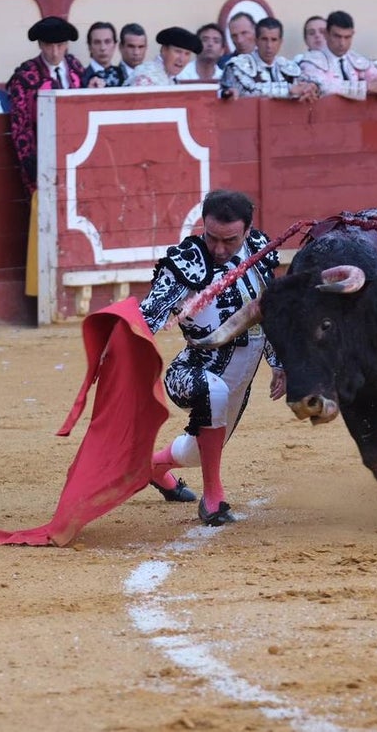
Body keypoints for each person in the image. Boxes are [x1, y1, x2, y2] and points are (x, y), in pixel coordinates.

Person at [139, 189, 285, 526]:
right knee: (213, 394)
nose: (218, 249)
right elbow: (149, 316)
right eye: (211, 237)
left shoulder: (259, 251)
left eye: (229, 240)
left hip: (240, 377)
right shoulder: (187, 262)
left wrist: (279, 363)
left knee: (195, 451)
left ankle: (153, 468)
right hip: (192, 370)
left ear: (247, 230)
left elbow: (270, 311)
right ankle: (213, 500)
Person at [7, 17, 86, 196]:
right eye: (49, 46)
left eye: (60, 45)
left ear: (67, 44)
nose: (55, 52)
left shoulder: (77, 68)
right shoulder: (24, 77)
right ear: (40, 45)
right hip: (43, 160)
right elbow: (20, 127)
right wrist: (31, 164)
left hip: (78, 156)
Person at [298, 10, 377, 101]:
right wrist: (366, 87)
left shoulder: (356, 60)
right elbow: (323, 85)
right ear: (326, 34)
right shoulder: (311, 61)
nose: (342, 43)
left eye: (347, 37)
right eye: (337, 36)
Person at [220, 17, 319, 100]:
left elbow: (307, 86)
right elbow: (247, 93)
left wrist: (310, 88)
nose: (269, 45)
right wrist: (289, 91)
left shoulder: (289, 67)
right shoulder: (236, 66)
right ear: (256, 40)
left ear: (280, 42)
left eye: (274, 40)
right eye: (264, 39)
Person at [129, 27, 204, 86]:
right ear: (164, 50)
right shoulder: (146, 77)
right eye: (178, 51)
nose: (182, 59)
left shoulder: (170, 78)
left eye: (187, 54)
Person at [81, 22, 127, 88]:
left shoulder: (123, 75)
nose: (103, 48)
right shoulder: (81, 78)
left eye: (107, 42)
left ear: (115, 45)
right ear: (89, 47)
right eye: (97, 42)